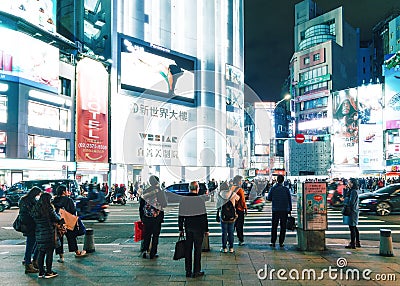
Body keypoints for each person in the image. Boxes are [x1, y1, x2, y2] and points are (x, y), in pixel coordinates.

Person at [178, 181, 209, 278]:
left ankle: (188, 271)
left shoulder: (184, 199)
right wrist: (206, 229)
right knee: (197, 249)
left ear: (189, 188)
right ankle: (196, 271)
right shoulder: (199, 200)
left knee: (188, 249)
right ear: (197, 188)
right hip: (198, 228)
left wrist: (180, 228)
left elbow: (181, 215)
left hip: (188, 227)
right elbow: (204, 216)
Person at [31, 192, 63, 279]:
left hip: (39, 233)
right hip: (49, 233)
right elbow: (57, 218)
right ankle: (49, 271)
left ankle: (41, 272)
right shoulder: (48, 208)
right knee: (49, 253)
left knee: (41, 252)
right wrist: (59, 215)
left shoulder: (35, 208)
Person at [53, 185, 87, 263]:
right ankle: (77, 252)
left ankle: (61, 256)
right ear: (64, 192)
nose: (68, 192)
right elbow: (73, 211)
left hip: (59, 222)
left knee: (59, 239)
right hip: (68, 221)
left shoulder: (55, 200)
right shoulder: (69, 200)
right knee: (71, 237)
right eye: (67, 190)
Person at [139, 175, 167, 259]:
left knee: (147, 234)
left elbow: (141, 205)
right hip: (157, 217)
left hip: (147, 217)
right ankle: (153, 253)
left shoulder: (145, 191)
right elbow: (164, 204)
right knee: (155, 236)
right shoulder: (159, 191)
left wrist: (142, 217)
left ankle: (144, 250)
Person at [18, 186, 42, 274]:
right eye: (38, 194)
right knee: (32, 244)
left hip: (27, 225)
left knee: (31, 244)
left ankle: (28, 260)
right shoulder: (31, 202)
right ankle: (28, 264)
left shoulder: (23, 200)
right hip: (31, 225)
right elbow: (33, 213)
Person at [267, 175, 292, 248]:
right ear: (283, 180)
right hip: (284, 210)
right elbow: (289, 200)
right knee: (283, 227)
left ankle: (273, 241)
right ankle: (281, 242)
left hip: (275, 210)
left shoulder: (273, 188)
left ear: (277, 180)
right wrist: (289, 209)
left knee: (274, 226)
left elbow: (269, 198)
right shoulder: (286, 189)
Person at [216, 181, 238, 253]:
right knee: (231, 232)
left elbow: (217, 206)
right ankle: (231, 248)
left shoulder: (219, 194)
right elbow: (238, 198)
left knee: (224, 232)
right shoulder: (233, 194)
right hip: (232, 216)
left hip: (223, 216)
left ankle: (224, 248)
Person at [343, 178, 361, 249]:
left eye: (349, 182)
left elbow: (351, 202)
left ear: (353, 183)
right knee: (354, 227)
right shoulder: (352, 190)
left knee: (352, 227)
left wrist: (346, 202)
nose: (348, 183)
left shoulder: (353, 191)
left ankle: (353, 243)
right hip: (353, 210)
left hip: (352, 211)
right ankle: (357, 242)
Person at [232, 175, 247, 246]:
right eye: (241, 181)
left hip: (232, 209)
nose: (241, 182)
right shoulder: (240, 190)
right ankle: (241, 240)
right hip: (239, 209)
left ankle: (229, 240)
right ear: (238, 181)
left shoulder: (231, 188)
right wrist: (245, 209)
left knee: (232, 226)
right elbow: (243, 201)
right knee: (239, 225)